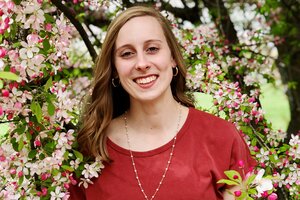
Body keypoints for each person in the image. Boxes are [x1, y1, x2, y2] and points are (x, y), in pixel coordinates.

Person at [69, 5, 256, 200]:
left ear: (173, 57)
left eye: (152, 49)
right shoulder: (90, 149)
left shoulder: (222, 138)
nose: (142, 64)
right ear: (115, 68)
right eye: (127, 53)